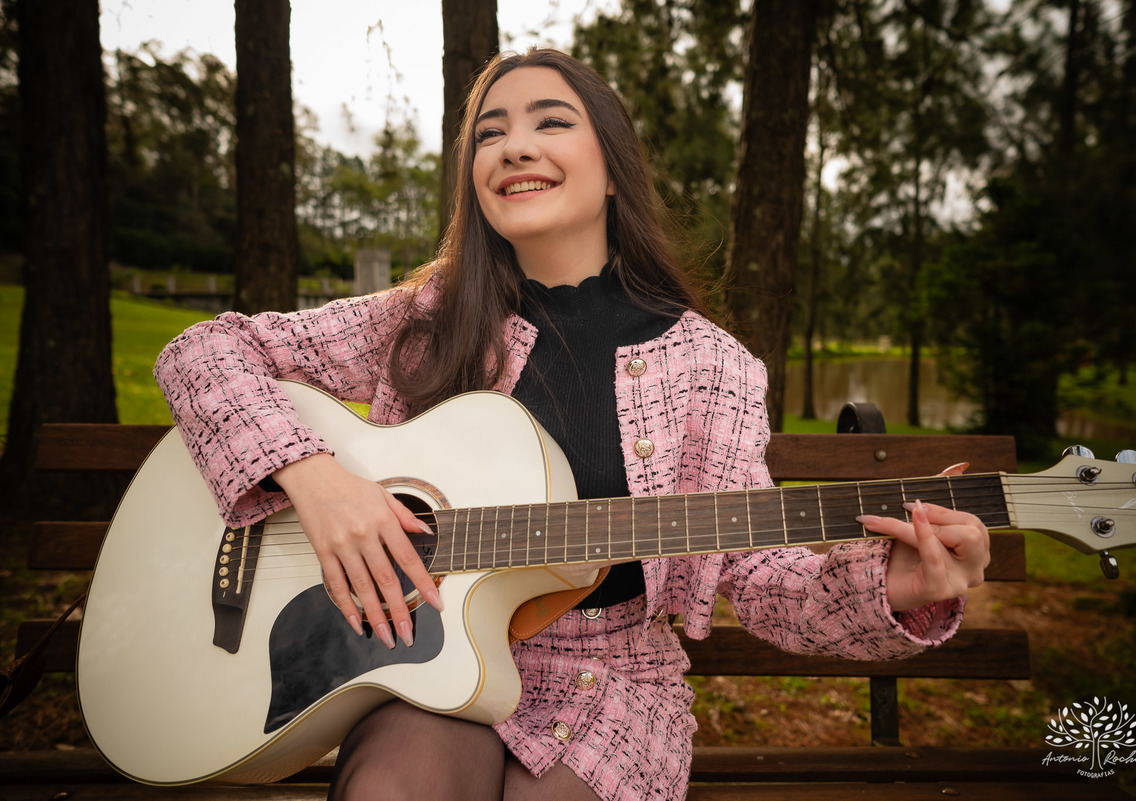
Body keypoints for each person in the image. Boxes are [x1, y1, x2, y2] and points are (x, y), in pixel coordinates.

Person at [155, 47, 990, 801]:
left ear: (614, 169)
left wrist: (893, 588)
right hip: (421, 661)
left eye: (551, 122)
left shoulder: (713, 365)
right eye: (490, 133)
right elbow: (201, 350)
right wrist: (316, 478)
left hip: (612, 686)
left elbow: (761, 577)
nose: (515, 146)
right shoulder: (432, 314)